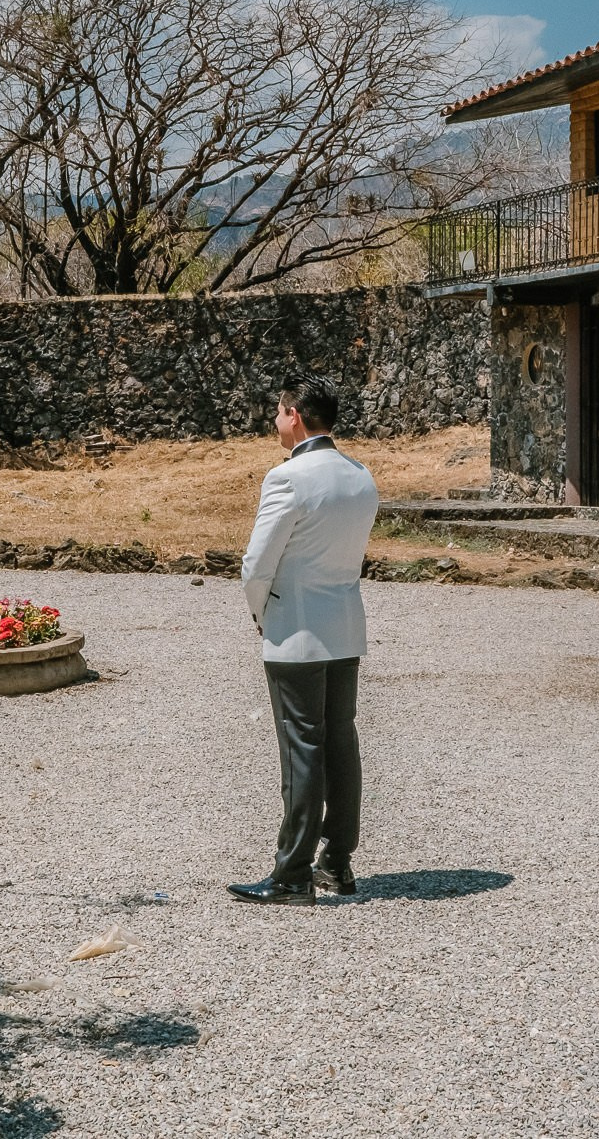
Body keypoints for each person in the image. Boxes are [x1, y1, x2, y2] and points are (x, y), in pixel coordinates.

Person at [228, 375, 380, 907]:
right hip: (344, 622)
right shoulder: (361, 477)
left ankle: (291, 874)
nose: (274, 420)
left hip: (295, 627)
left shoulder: (288, 478)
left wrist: (259, 614)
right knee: (341, 743)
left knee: (301, 749)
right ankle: (337, 863)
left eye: (277, 411)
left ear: (294, 414)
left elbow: (256, 564)